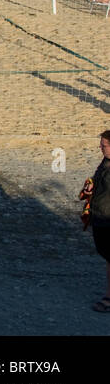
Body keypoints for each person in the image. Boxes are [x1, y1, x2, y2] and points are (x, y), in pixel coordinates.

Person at [85, 131, 110, 312]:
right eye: (101, 144)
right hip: (100, 216)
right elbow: (96, 180)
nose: (101, 148)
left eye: (105, 145)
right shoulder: (105, 162)